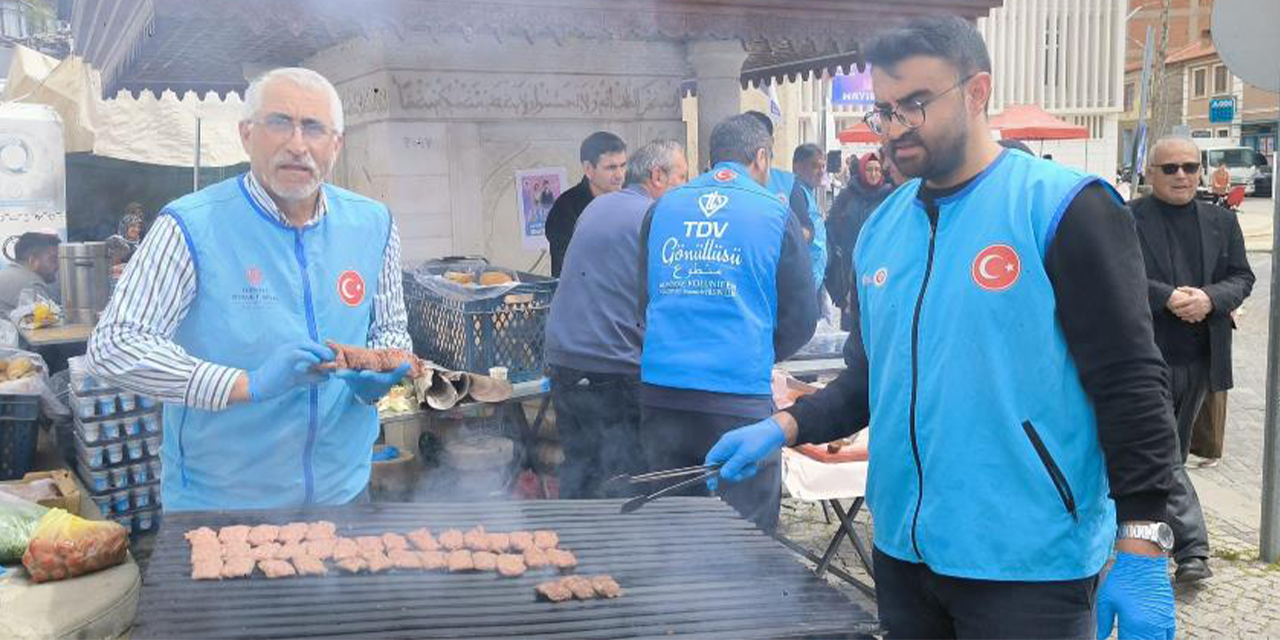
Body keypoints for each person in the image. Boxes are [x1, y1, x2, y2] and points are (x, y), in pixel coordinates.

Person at [704, 16, 1179, 639]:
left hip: (1028, 561)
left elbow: (1131, 380)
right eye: (884, 110)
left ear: (977, 91)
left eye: (915, 105)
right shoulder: (882, 227)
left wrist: (1143, 536)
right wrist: (784, 425)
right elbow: (871, 379)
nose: (895, 127)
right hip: (904, 551)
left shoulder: (1065, 208)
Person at [86, 67, 412, 511]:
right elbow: (116, 345)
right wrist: (246, 384)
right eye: (280, 122)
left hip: (343, 494)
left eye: (314, 128)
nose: (298, 144)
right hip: (220, 503)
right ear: (246, 134)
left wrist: (372, 381)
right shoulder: (191, 225)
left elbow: (390, 331)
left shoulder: (374, 224)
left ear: (336, 145)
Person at [638, 114, 818, 533]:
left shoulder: (663, 207)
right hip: (737, 403)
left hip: (662, 395)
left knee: (671, 530)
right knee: (744, 535)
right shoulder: (774, 212)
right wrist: (755, 349)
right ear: (760, 157)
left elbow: (645, 300)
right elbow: (803, 318)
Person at [1130, 136, 1255, 583]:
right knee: (1164, 450)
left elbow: (1243, 276)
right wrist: (1166, 298)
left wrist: (1208, 298)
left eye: (1189, 166)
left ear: (1201, 171)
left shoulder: (1221, 220)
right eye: (1169, 168)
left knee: (1174, 453)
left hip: (1202, 356)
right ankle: (1193, 550)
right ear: (1150, 174)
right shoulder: (1128, 219)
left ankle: (1153, 534)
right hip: (1146, 356)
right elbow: (1119, 274)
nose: (1181, 175)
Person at [544, 140, 689, 499]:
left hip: (564, 363)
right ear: (658, 177)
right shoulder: (656, 217)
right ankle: (615, 551)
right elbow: (671, 300)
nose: (687, 187)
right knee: (625, 480)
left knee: (580, 472)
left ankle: (571, 549)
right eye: (682, 177)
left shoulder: (598, 206)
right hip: (613, 370)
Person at [545, 131, 627, 277]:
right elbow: (565, 272)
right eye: (611, 168)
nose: (620, 175)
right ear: (589, 169)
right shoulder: (565, 210)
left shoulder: (632, 201)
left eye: (623, 166)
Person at [826, 151, 892, 327]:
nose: (874, 174)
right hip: (850, 266)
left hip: (881, 264)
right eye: (869, 169)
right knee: (853, 323)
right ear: (862, 171)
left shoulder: (889, 196)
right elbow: (832, 226)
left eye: (877, 169)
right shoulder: (847, 196)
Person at [791, 143, 830, 294]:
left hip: (813, 282)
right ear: (797, 167)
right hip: (802, 285)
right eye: (814, 166)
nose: (821, 171)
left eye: (823, 166)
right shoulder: (796, 194)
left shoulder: (808, 193)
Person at [0, 232, 61, 317]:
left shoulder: (6, 273)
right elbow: (47, 324)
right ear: (32, 261)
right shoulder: (31, 285)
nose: (58, 265)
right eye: (53, 259)